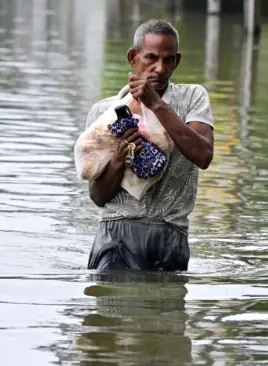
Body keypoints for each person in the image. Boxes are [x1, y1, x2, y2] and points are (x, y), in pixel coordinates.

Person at [82, 19, 214, 272]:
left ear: (177, 61)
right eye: (151, 58)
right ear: (133, 58)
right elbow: (98, 197)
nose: (160, 68)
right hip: (115, 234)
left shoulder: (192, 98)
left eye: (168, 60)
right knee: (113, 308)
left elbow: (204, 155)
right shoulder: (104, 112)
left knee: (164, 309)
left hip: (169, 234)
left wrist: (156, 105)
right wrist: (118, 161)